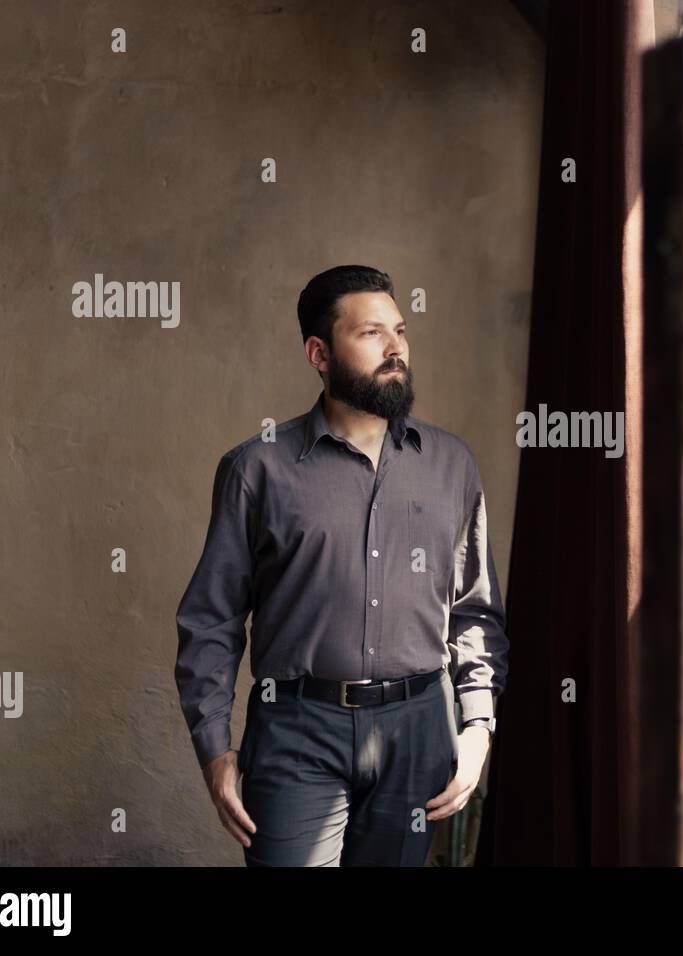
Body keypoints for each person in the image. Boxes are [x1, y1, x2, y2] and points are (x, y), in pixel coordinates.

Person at [174, 264, 509, 866]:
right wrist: (214, 750)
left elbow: (474, 612)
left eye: (400, 331)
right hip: (296, 733)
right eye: (371, 333)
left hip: (419, 732)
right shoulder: (258, 469)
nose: (395, 347)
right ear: (319, 353)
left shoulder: (452, 466)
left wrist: (478, 726)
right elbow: (211, 619)